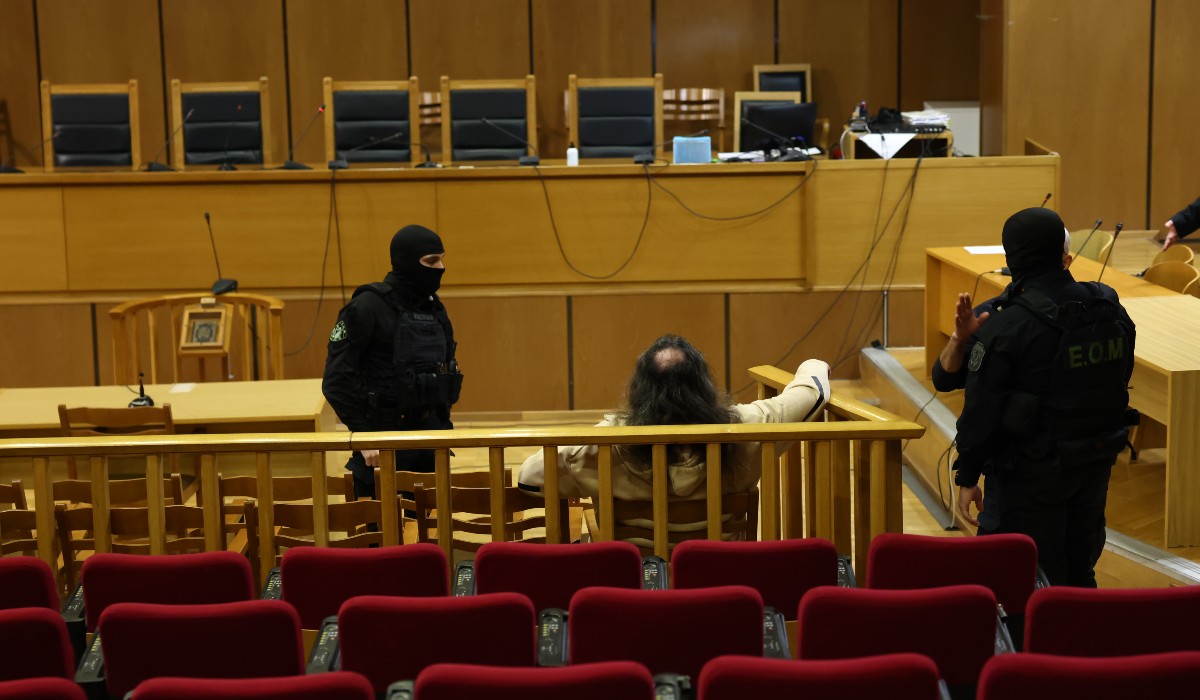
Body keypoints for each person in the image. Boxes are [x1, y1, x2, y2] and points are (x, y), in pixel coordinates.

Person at [948, 207, 1136, 587]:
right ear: (1064, 254)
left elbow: (981, 413)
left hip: (1029, 478)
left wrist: (968, 475)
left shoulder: (1005, 325)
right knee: (1080, 573)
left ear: (1011, 259)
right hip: (1094, 463)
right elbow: (1120, 373)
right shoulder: (1106, 305)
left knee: (1019, 580)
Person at [518, 334, 830, 501]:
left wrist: (581, 481)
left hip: (637, 576)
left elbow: (529, 479)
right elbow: (813, 393)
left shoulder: (609, 440)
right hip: (718, 572)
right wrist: (814, 363)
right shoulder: (745, 426)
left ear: (640, 389)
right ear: (703, 386)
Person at [322, 224, 463, 500]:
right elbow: (336, 380)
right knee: (380, 526)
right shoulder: (366, 307)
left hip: (431, 444)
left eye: (441, 259)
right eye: (431, 261)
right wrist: (364, 437)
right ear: (406, 261)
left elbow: (445, 371)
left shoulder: (435, 308)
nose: (441, 267)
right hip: (381, 446)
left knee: (430, 526)